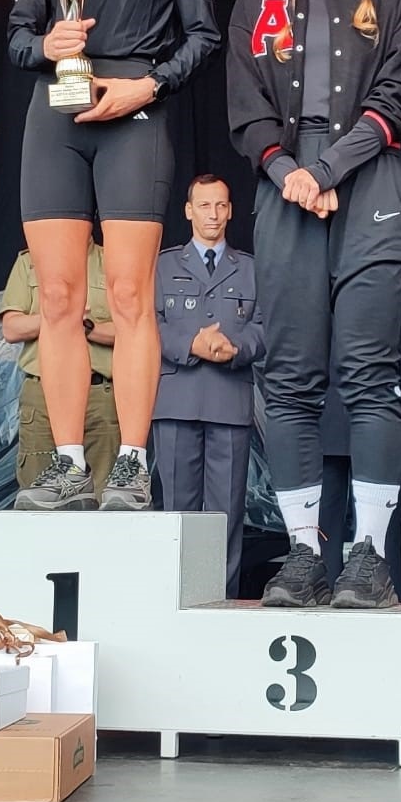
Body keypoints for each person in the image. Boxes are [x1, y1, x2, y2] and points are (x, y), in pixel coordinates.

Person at [9, 0, 221, 511]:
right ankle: (69, 462)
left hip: (133, 115)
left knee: (130, 295)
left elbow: (204, 37)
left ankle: (130, 463)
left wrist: (147, 87)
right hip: (56, 114)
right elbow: (16, 37)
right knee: (58, 297)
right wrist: (48, 44)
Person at [229, 0, 401, 611]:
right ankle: (304, 555)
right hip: (284, 189)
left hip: (369, 181)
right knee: (288, 381)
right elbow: (246, 108)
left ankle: (368, 557)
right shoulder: (257, 1)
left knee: (370, 373)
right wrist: (290, 173)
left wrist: (328, 169)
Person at [152, 175, 264, 594]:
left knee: (226, 516)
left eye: (220, 205)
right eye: (204, 205)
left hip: (229, 400)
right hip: (176, 400)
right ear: (188, 210)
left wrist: (236, 348)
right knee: (176, 515)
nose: (213, 214)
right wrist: (191, 344)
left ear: (230, 210)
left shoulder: (251, 268)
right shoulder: (163, 265)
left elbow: (267, 327)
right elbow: (146, 324)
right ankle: (175, 599)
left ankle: (221, 600)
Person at [314, 287, 401, 594]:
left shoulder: (394, 278)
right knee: (324, 519)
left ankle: (383, 594)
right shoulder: (316, 275)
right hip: (325, 409)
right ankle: (323, 597)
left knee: (383, 522)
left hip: (382, 411)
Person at [0, 246, 119, 499]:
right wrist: (58, 316)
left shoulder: (112, 261)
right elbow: (11, 328)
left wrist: (86, 326)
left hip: (98, 395)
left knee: (102, 494)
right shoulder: (30, 260)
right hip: (41, 395)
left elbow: (133, 329)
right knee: (37, 493)